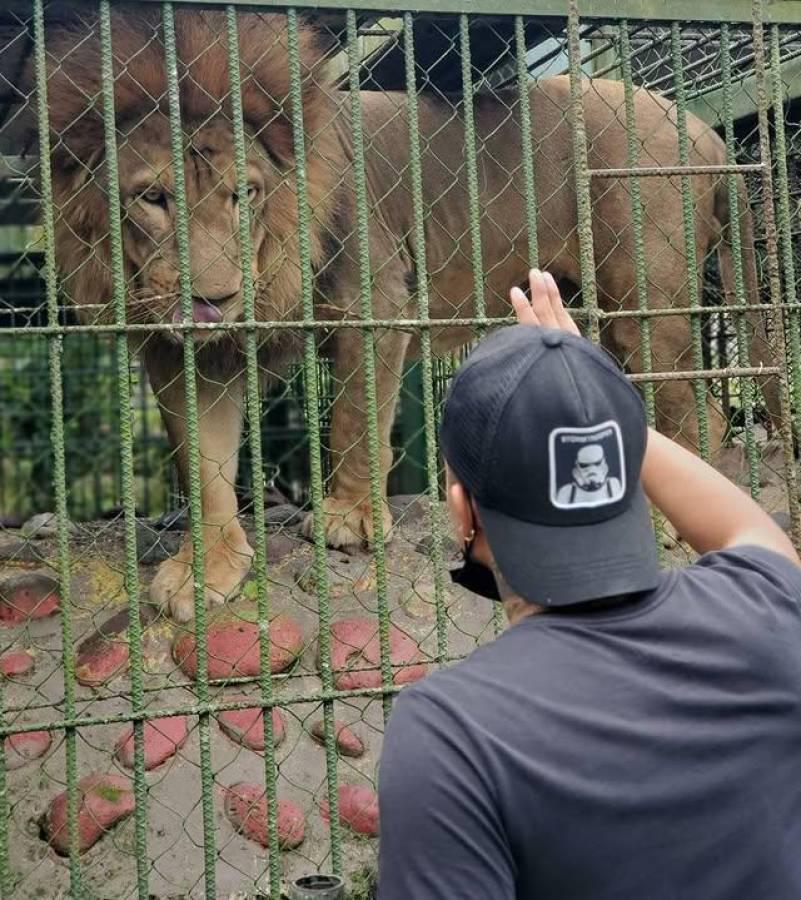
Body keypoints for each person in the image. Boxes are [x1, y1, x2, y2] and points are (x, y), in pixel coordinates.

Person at [375, 268, 801, 900]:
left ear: (461, 510)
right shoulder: (769, 611)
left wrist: (576, 400)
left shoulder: (453, 734)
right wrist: (592, 399)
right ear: (628, 464)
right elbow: (751, 533)